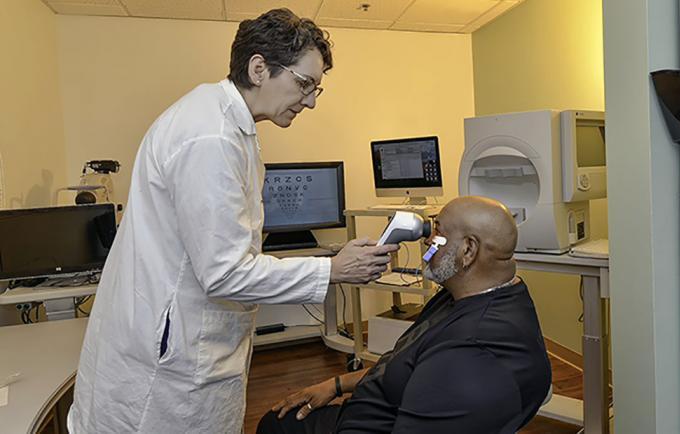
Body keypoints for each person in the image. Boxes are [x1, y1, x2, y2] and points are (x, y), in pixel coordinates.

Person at [68, 8, 398, 434]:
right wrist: (334, 269)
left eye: (318, 89)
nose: (312, 101)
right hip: (167, 368)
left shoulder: (225, 122)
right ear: (259, 68)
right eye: (304, 84)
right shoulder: (211, 137)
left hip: (185, 338)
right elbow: (224, 273)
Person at [258, 196, 552, 434]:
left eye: (438, 232)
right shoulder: (464, 294)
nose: (426, 240)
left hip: (369, 422)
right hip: (366, 407)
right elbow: (404, 366)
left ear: (468, 250)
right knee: (277, 421)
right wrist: (335, 385)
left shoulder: (471, 354)